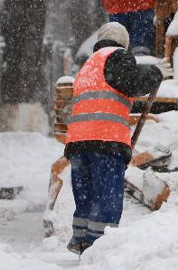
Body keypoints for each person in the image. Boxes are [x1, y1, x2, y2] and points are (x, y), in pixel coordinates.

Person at [64, 22, 162, 254]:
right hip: (105, 140)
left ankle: (81, 240)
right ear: (124, 43)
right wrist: (156, 73)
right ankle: (100, 250)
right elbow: (132, 83)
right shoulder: (117, 56)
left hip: (78, 143)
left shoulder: (88, 64)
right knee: (106, 197)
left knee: (85, 196)